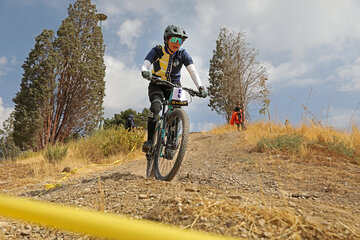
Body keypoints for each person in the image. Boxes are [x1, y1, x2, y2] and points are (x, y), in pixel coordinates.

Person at [140, 25, 208, 152]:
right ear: (167, 39)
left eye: (181, 41)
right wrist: (145, 71)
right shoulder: (158, 50)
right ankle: (149, 140)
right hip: (157, 84)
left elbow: (192, 70)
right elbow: (146, 64)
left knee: (177, 111)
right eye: (175, 40)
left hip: (174, 86)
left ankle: (171, 142)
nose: (178, 44)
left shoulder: (182, 54)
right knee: (155, 107)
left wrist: (200, 87)